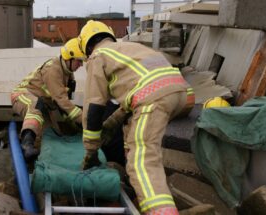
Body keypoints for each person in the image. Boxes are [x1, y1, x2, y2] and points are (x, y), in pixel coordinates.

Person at [79, 20, 195, 215]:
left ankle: (160, 210)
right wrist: (112, 123)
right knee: (133, 128)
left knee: (141, 158)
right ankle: (136, 185)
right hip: (184, 95)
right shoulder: (133, 47)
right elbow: (136, 92)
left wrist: (91, 151)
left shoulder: (98, 56)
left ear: (88, 47)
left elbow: (94, 106)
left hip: (155, 99)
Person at [11, 38, 85, 160]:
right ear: (69, 58)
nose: (81, 65)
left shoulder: (69, 74)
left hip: (43, 103)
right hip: (22, 95)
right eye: (79, 61)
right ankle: (26, 144)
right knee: (35, 108)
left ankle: (36, 157)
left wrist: (76, 129)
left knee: (51, 133)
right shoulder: (53, 69)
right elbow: (63, 102)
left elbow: (65, 107)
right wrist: (86, 122)